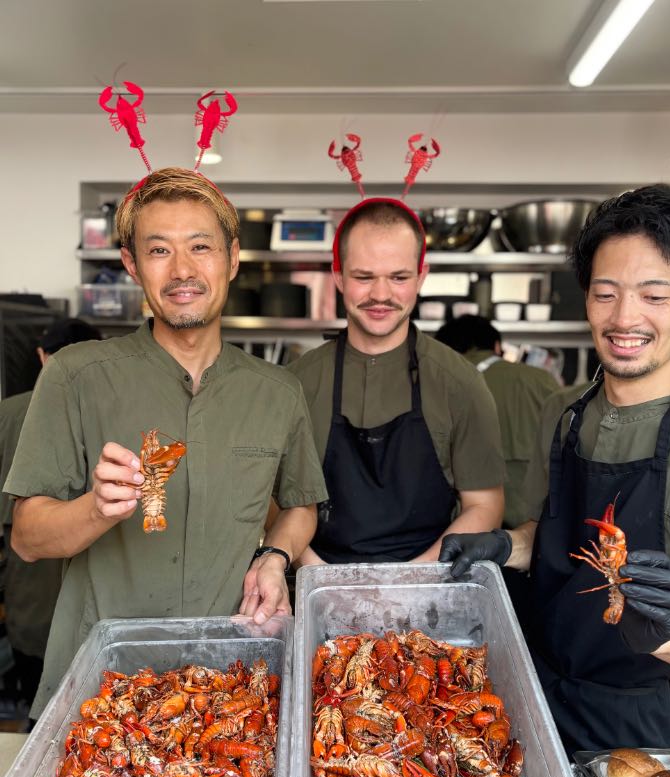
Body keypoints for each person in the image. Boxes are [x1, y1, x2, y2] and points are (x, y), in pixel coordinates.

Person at [4, 167, 327, 718]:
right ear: (132, 264)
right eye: (159, 250)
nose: (182, 270)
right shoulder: (77, 376)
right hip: (98, 692)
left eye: (200, 247)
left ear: (231, 256)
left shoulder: (277, 391)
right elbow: (29, 540)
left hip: (228, 691)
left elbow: (300, 505)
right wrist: (98, 507)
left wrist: (274, 556)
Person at [440, 183, 670, 755]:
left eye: (655, 296)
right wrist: (504, 546)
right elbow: (557, 537)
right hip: (533, 691)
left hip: (637, 720)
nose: (624, 317)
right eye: (605, 293)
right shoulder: (565, 411)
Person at [288, 198, 505, 565]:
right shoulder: (296, 383)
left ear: (421, 277)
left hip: (427, 589)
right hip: (319, 585)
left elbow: (485, 505)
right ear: (338, 277)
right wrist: (321, 578)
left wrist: (408, 582)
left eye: (399, 277)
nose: (381, 295)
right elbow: (278, 504)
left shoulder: (459, 382)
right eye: (363, 277)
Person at [0, 318, 102, 709]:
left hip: (27, 573)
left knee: (36, 689)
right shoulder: (107, 413)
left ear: (43, 355)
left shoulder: (8, 412)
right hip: (92, 561)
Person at [434, 315, 559, 529]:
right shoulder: (540, 380)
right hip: (532, 527)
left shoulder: (437, 384)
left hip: (462, 528)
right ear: (497, 346)